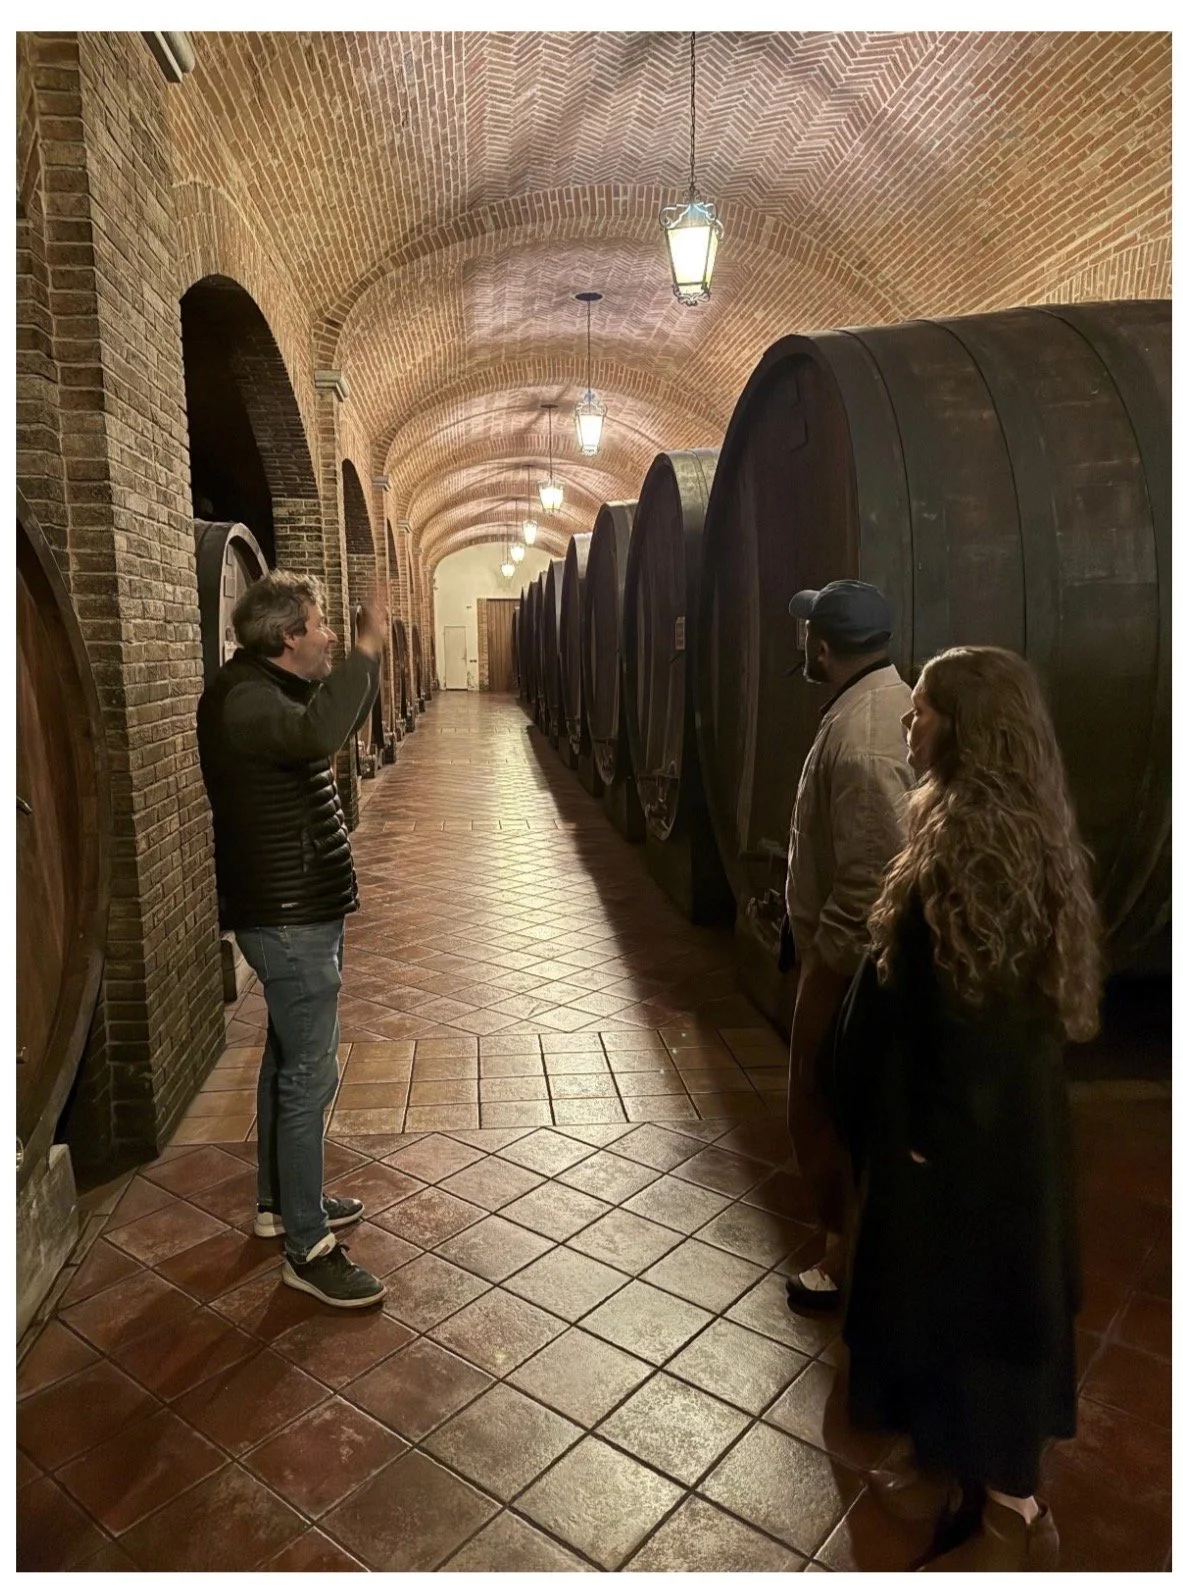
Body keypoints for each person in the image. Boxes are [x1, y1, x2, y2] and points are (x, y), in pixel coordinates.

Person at [834, 645, 1103, 1571]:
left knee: (982, 1309)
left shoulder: (979, 844)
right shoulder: (977, 820)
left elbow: (975, 1025)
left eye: (922, 713)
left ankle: (1011, 1516)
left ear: (969, 730)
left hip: (968, 1144)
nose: (908, 726)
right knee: (946, 1309)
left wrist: (922, 1139)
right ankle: (953, 1468)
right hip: (971, 1135)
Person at [197, 571, 389, 1309]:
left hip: (291, 905)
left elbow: (320, 715)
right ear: (287, 637)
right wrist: (369, 651)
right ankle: (308, 1248)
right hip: (286, 915)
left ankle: (281, 1206)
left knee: (287, 1059)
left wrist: (354, 667)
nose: (332, 635)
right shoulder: (247, 700)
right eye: (321, 626)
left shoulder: (257, 688)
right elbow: (318, 731)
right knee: (310, 1075)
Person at [781, 579, 914, 1312]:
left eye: (807, 633)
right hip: (852, 957)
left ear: (822, 646)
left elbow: (870, 872)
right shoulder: (879, 702)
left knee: (820, 1102)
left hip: (848, 964)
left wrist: (824, 967)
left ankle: (839, 1259)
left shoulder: (865, 735)